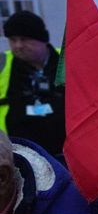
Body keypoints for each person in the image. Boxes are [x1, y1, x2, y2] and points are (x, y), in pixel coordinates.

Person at [1, 11, 64, 160]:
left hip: (68, 154)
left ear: (42, 39)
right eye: (13, 40)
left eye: (24, 39)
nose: (18, 46)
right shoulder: (3, 64)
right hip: (20, 158)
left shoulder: (67, 59)